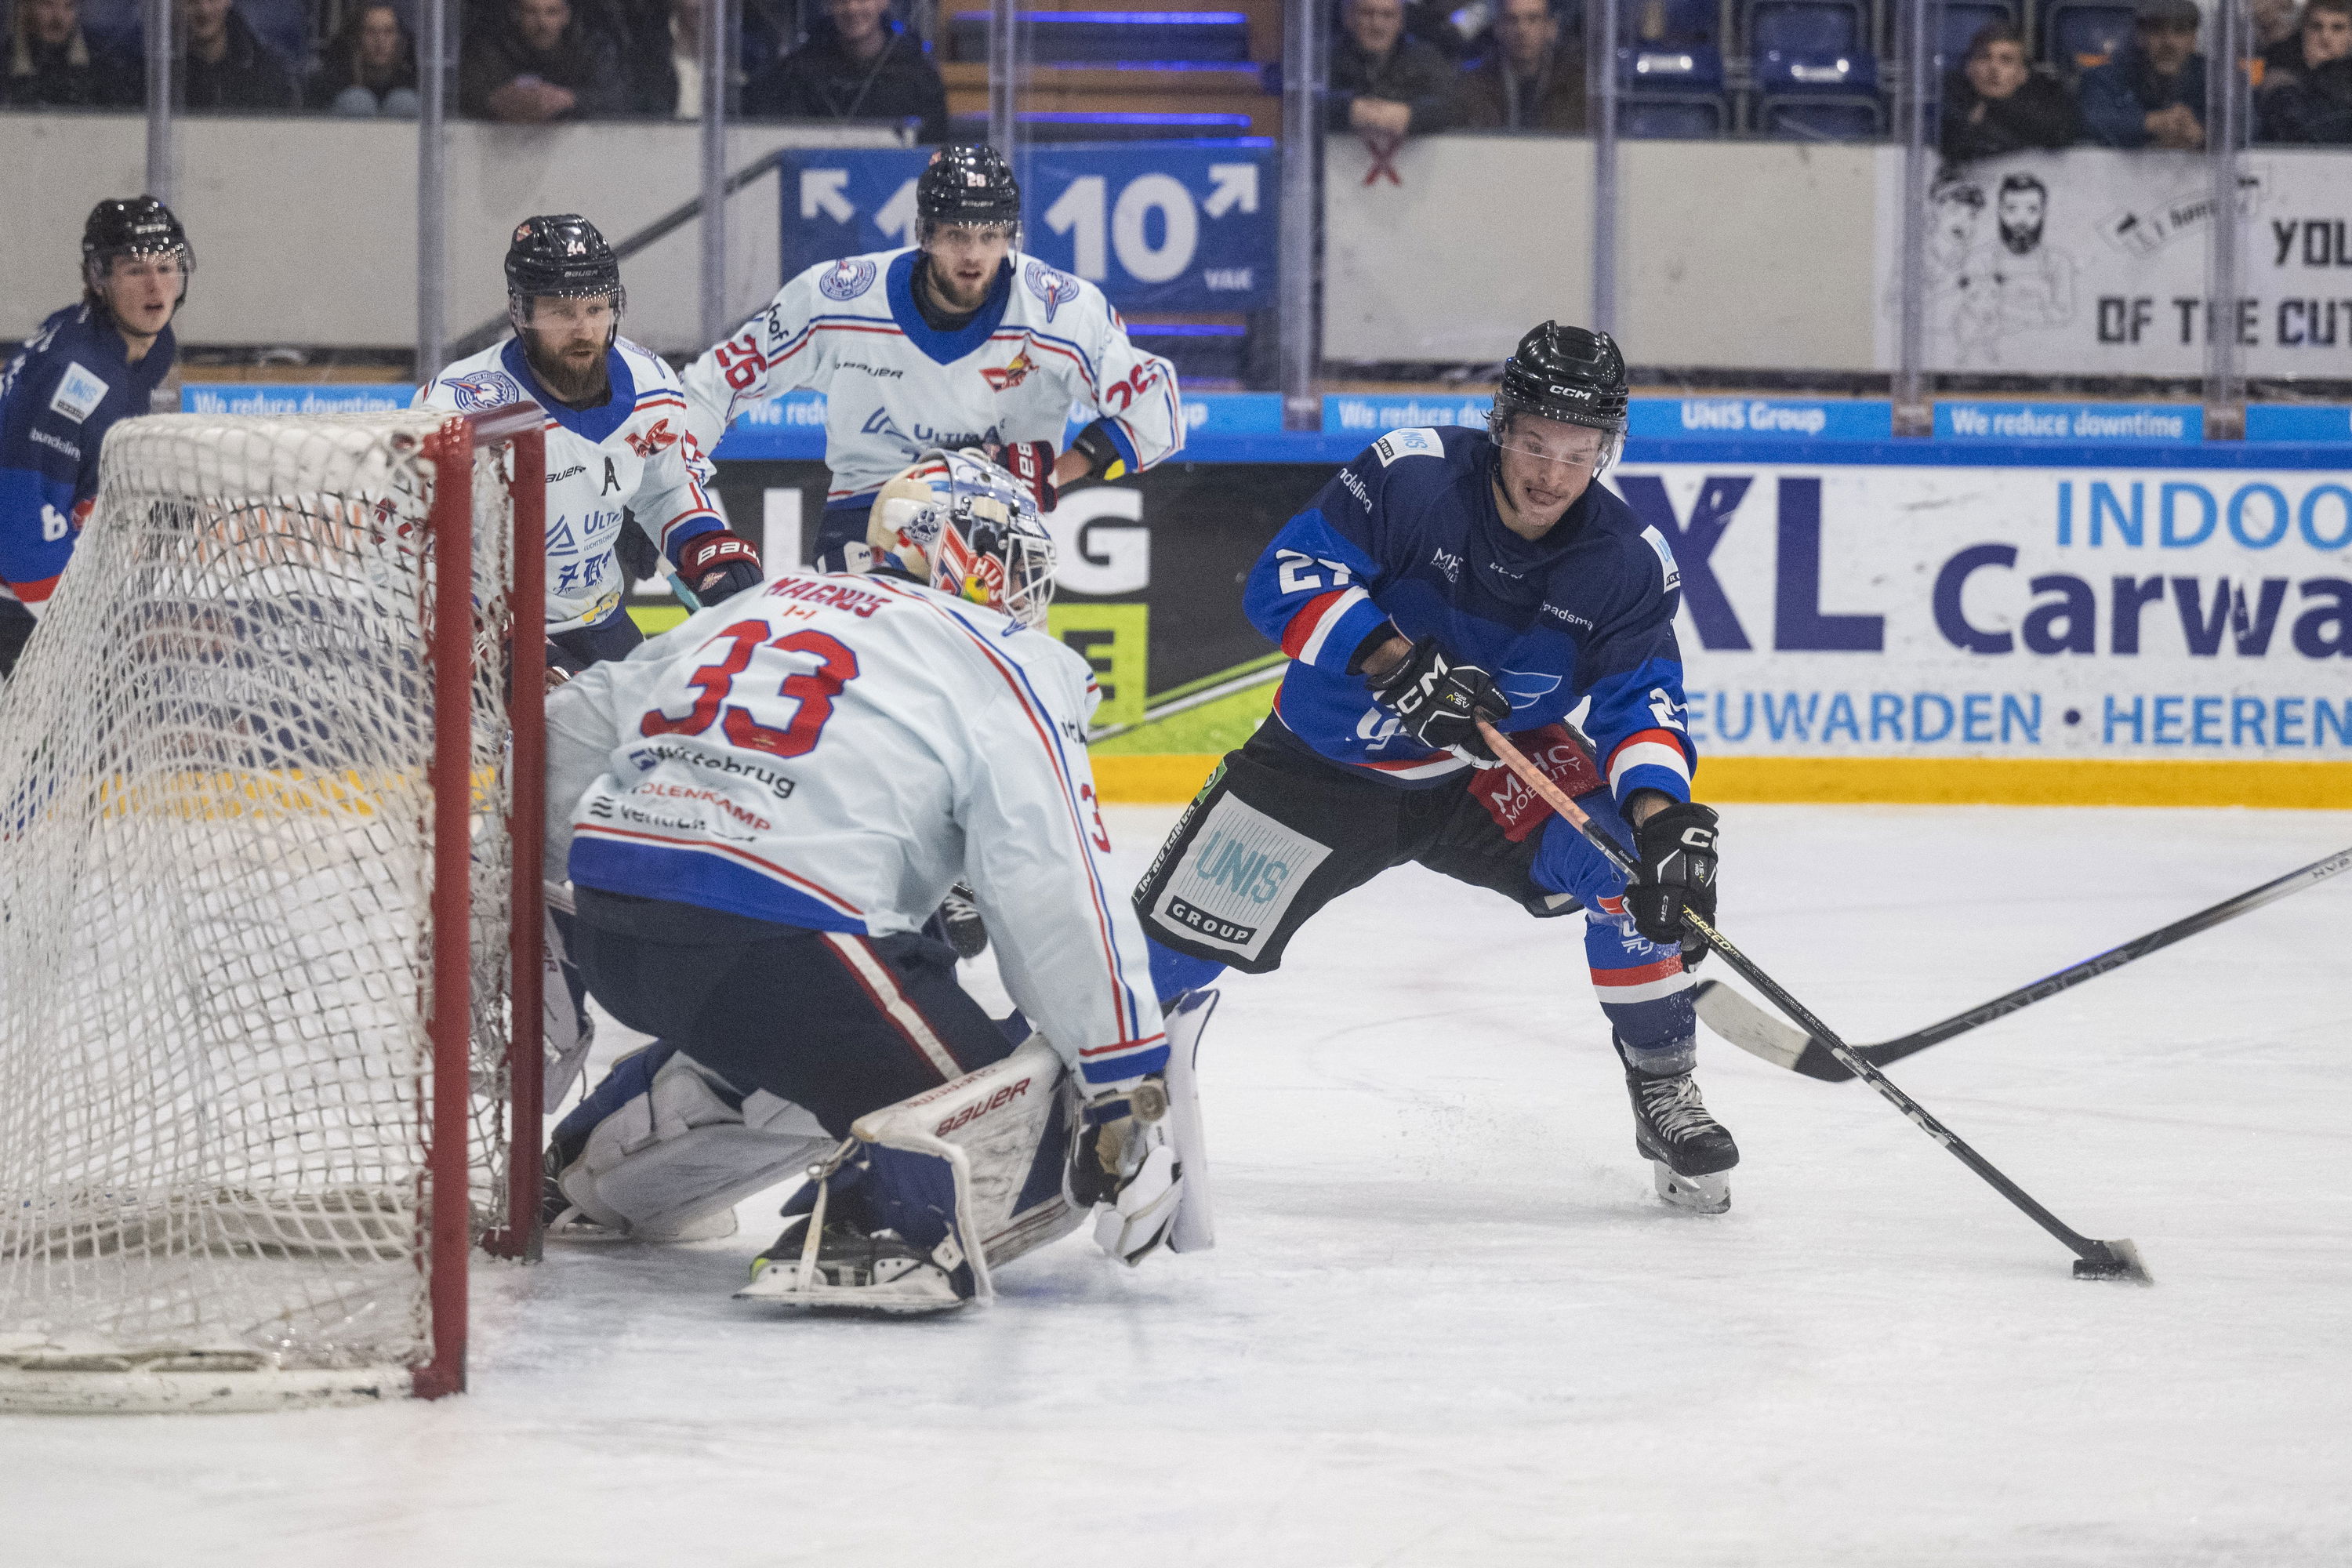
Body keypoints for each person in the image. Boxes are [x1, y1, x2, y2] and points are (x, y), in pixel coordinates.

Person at [535, 448, 1186, 1310]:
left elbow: (567, 737)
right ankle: (871, 1227)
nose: (1027, 589)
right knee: (1024, 1122)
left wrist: (546, 915)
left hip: (616, 928)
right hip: (782, 948)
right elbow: (1054, 882)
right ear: (969, 553)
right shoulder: (1008, 656)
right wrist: (1122, 1080)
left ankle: (602, 1170)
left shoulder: (762, 602)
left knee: (806, 1040)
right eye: (1019, 564)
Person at [1131, 322, 1744, 1214]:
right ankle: (1075, 1080)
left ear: (1607, 450)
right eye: (1535, 443)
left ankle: (1662, 1085)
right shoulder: (1411, 475)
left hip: (1489, 770)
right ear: (1502, 424)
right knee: (1164, 954)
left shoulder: (1627, 562)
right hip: (1326, 765)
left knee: (1633, 867)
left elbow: (1639, 700)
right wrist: (1388, 657)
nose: (1551, 474)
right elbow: (1282, 578)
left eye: (1579, 453)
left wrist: (1662, 818)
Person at [681, 143, 1182, 568]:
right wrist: (670, 497)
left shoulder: (1058, 312)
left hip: (997, 519)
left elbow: (1157, 406)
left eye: (989, 237)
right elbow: (716, 382)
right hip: (869, 510)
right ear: (925, 235)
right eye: (957, 235)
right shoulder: (838, 299)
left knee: (998, 681)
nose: (973, 255)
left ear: (1011, 238)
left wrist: (1057, 472)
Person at [416, 214, 762, 671]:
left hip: (602, 620)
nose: (583, 331)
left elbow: (667, 488)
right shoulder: (459, 407)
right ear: (521, 313)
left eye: (595, 310)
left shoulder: (651, 384)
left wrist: (704, 544)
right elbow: (411, 546)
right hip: (495, 632)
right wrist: (488, 642)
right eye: (562, 312)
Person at [0, 199, 188, 680]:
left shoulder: (143, 344)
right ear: (98, 277)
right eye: (134, 270)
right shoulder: (73, 372)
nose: (156, 288)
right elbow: (21, 535)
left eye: (167, 267)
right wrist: (92, 643)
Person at [741, 0, 947, 141]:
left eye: (862, 0)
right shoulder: (799, 70)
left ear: (883, 3)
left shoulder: (916, 75)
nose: (852, 9)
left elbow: (932, 146)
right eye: (841, 1)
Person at [1328, 0, 1466, 151]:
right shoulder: (1324, 59)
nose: (1377, 25)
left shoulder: (1425, 59)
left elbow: (1450, 106)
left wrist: (1410, 116)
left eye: (1388, 15)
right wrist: (1349, 110)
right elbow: (1306, 104)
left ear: (1401, 22)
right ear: (1348, 18)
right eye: (1367, 14)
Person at [459, 0, 626, 122]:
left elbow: (616, 98)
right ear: (516, 15)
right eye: (531, 12)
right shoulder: (489, 49)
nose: (542, 23)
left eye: (551, 12)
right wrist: (494, 100)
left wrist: (569, 99)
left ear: (565, 16)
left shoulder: (593, 49)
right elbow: (461, 97)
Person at [1938, 20, 2079, 160]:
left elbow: (2060, 134)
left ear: (2023, 74)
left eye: (2006, 60)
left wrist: (1988, 110)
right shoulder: (1946, 99)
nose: (1994, 68)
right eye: (1984, 58)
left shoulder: (2046, 106)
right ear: (1968, 68)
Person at [2079, 0, 2207, 149]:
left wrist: (2203, 132)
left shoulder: (2214, 76)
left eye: (2179, 31)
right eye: (2157, 30)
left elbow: (2238, 121)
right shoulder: (2107, 75)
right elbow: (2089, 119)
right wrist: (2151, 123)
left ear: (2194, 38)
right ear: (2140, 36)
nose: (2168, 42)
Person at [1460, 0, 1587, 131]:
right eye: (1512, 20)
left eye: (1533, 19)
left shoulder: (1576, 84)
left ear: (1551, 27)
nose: (1522, 30)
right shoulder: (1474, 84)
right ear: (1498, 28)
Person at [160, 0, 298, 110]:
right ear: (173, 5)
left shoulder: (267, 69)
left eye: (213, 0)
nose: (204, 10)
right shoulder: (157, 72)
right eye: (192, 1)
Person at [2, 0, 136, 107]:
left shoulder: (99, 66)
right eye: (47, 5)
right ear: (26, 9)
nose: (58, 17)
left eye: (69, 6)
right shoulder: (4, 62)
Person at [2257, 0, 2352, 143]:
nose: (2325, 36)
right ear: (2304, 31)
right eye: (2316, 27)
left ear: (2350, 36)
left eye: (2337, 28)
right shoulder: (2281, 71)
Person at [308, 1, 419, 116]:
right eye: (371, 32)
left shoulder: (414, 78)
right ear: (356, 38)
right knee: (356, 102)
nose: (380, 41)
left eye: (388, 32)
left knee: (404, 102)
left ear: (400, 40)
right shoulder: (332, 79)